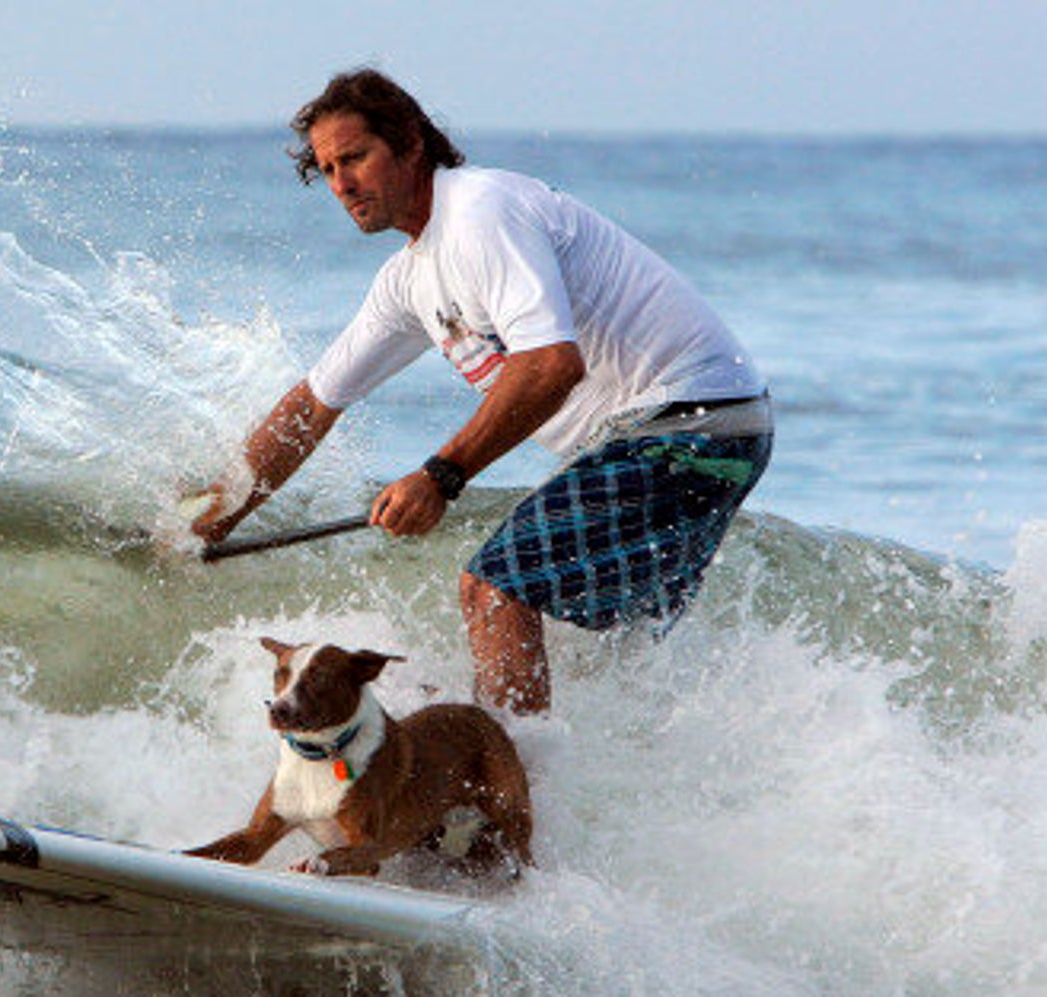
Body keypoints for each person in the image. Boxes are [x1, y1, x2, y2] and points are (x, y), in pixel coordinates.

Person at [190, 69, 772, 716]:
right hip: (716, 429)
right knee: (598, 656)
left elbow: (552, 364)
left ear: (411, 143)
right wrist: (206, 523)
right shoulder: (409, 279)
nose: (342, 184)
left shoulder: (478, 211)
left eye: (354, 158)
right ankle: (581, 794)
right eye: (327, 170)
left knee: (492, 587)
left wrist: (441, 475)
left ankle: (503, 801)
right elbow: (313, 404)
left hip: (683, 423)